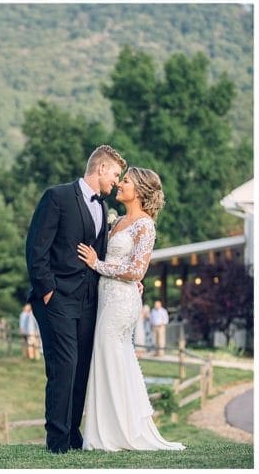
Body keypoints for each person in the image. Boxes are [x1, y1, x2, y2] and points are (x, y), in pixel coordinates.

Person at [76, 166, 184, 451]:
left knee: (109, 352)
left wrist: (96, 264)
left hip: (122, 300)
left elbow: (137, 270)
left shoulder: (144, 225)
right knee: (111, 357)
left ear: (140, 190)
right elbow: (123, 263)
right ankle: (110, 430)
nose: (120, 184)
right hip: (107, 296)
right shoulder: (119, 221)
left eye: (125, 181)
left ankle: (116, 433)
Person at [25, 145, 124, 453]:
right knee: (63, 366)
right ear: (101, 168)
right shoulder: (57, 197)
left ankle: (71, 435)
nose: (117, 182)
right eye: (116, 175)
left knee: (81, 367)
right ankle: (56, 439)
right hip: (57, 299)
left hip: (89, 301)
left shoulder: (103, 208)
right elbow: (36, 248)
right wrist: (48, 291)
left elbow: (100, 256)